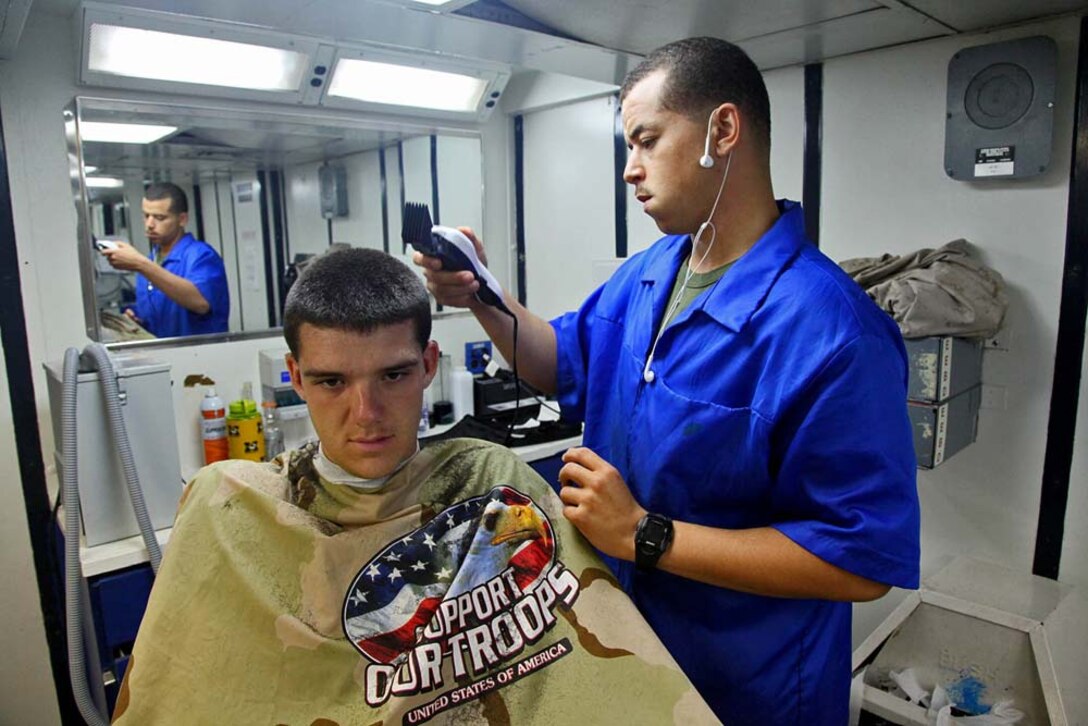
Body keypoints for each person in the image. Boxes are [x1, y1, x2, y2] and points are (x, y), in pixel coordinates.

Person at [415, 37, 920, 724]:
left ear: (722, 131)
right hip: (630, 659)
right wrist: (481, 294)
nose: (630, 170)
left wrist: (646, 535)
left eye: (646, 140)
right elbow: (557, 360)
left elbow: (859, 561)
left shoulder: (830, 332)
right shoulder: (654, 271)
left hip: (748, 692)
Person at [113, 248, 715, 724]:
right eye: (330, 382)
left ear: (429, 364)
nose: (367, 412)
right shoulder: (231, 504)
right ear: (293, 376)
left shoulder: (489, 482)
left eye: (393, 375)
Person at [100, 182, 229, 337]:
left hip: (199, 355)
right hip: (162, 355)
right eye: (146, 216)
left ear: (182, 219)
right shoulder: (151, 260)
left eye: (159, 218)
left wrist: (141, 265)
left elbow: (200, 303)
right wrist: (135, 316)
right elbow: (158, 312)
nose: (149, 225)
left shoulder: (201, 255)